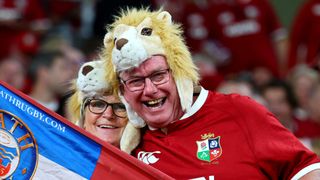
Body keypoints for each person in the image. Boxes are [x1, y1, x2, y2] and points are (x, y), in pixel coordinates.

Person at [102, 8, 320, 179]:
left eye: (158, 75)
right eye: (136, 81)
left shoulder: (238, 111)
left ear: (179, 72)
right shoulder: (125, 142)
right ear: (122, 91)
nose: (150, 90)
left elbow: (306, 170)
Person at [67, 60, 140, 153]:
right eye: (98, 104)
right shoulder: (60, 162)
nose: (108, 115)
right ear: (83, 117)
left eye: (120, 107)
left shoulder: (151, 163)